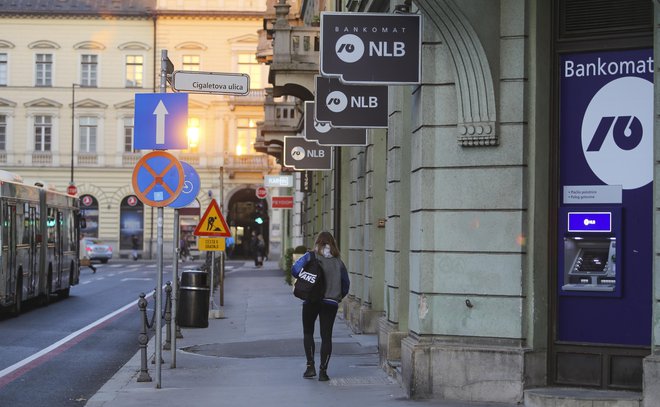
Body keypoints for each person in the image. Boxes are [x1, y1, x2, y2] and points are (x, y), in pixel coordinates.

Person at [291, 231, 350, 382]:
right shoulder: (338, 262)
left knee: (308, 333)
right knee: (326, 337)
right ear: (333, 244)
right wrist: (336, 296)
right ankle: (323, 371)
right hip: (330, 302)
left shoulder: (310, 256)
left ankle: (310, 367)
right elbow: (346, 285)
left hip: (311, 300)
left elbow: (295, 270)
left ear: (318, 242)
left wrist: (308, 279)